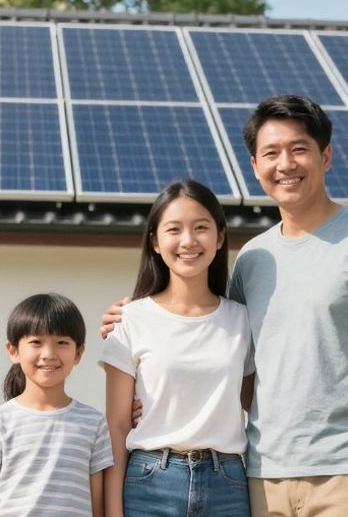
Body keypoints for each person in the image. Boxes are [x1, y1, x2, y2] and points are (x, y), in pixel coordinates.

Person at [103, 95, 348, 517]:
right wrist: (140, 331)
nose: (285, 164)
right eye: (271, 153)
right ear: (255, 166)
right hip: (261, 476)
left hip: (347, 471)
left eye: (299, 149)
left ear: (326, 155)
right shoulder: (253, 259)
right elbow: (220, 349)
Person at [100, 179, 253, 517]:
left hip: (227, 485)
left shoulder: (242, 319)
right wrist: (113, 512)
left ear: (220, 238)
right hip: (149, 484)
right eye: (174, 229)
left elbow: (254, 404)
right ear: (155, 241)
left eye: (201, 228)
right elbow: (117, 426)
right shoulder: (130, 319)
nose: (188, 241)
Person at [0, 293, 114, 517]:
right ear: (13, 351)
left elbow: (98, 510)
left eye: (62, 343)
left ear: (78, 353)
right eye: (36, 342)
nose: (49, 354)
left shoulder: (94, 423)